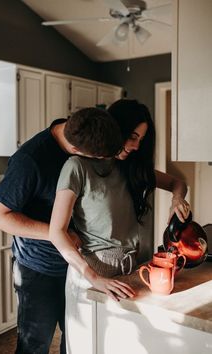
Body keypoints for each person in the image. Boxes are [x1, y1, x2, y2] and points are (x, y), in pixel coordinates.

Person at [0, 107, 135, 354]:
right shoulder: (30, 161)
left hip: (78, 265)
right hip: (39, 268)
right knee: (35, 344)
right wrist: (57, 232)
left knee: (76, 339)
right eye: (97, 158)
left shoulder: (85, 132)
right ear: (77, 152)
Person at [48, 99, 191, 354]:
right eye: (132, 136)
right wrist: (95, 278)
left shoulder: (133, 169)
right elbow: (55, 232)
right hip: (92, 278)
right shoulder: (78, 167)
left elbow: (178, 183)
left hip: (135, 272)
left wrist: (177, 200)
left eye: (141, 140)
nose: (136, 146)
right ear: (116, 129)